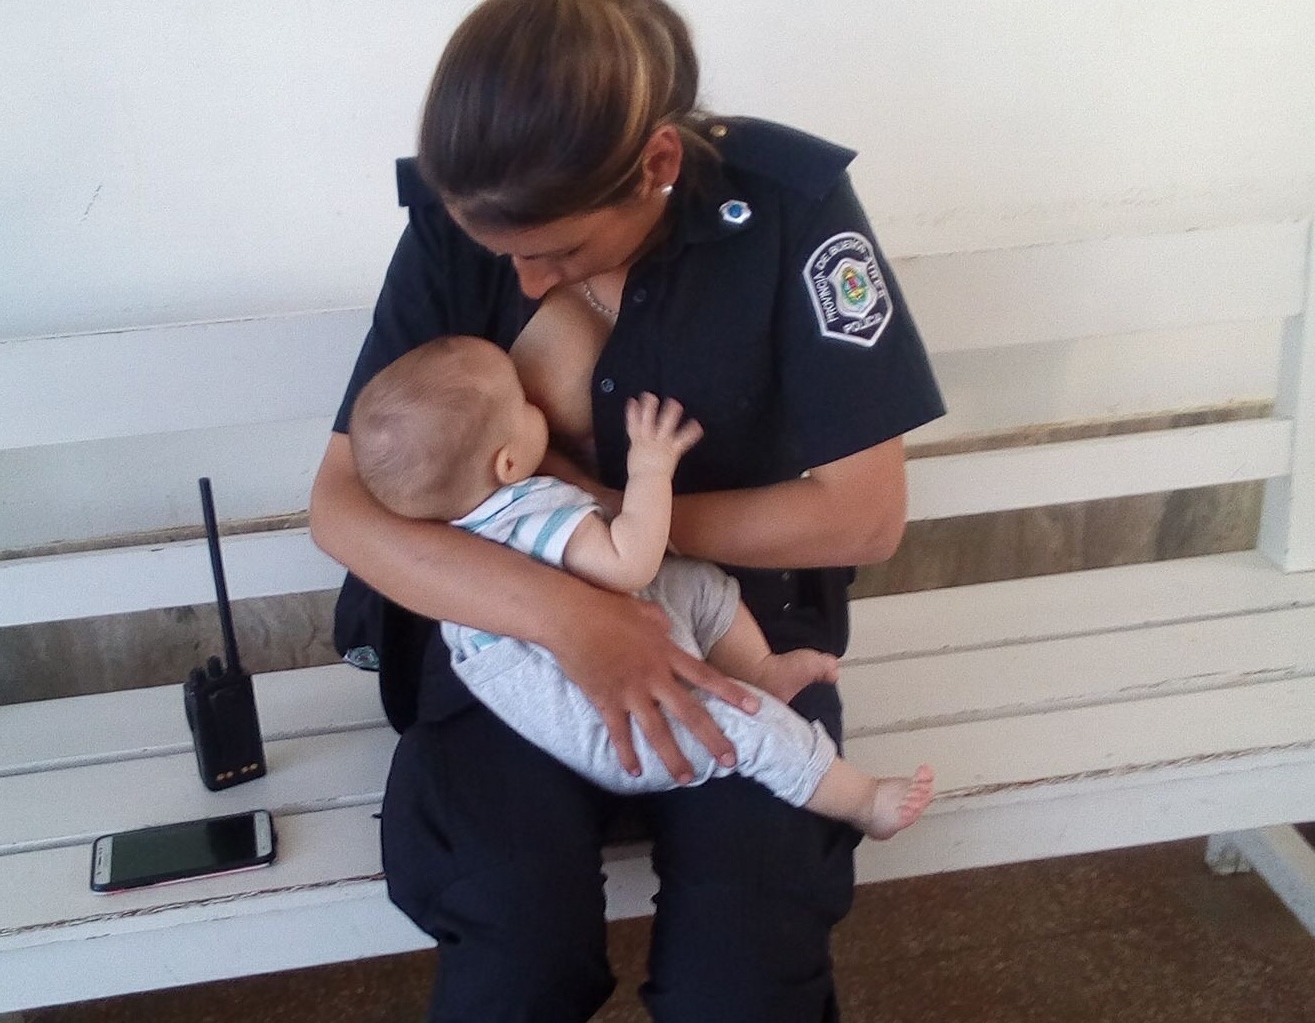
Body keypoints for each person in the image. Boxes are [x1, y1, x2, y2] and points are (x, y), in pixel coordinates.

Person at [308, 0, 945, 1018]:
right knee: (513, 942)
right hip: (503, 631)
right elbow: (344, 507)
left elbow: (862, 515)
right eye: (497, 250)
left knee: (742, 972)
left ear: (656, 163)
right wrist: (576, 612)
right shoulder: (470, 208)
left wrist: (619, 522)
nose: (522, 279)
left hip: (734, 635)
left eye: (556, 248)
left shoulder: (789, 209)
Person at [347, 333, 935, 833]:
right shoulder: (530, 514)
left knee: (697, 586)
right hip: (625, 726)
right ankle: (861, 801)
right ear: (507, 464)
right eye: (523, 406)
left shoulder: (455, 535)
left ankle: (757, 670)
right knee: (749, 729)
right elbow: (632, 564)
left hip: (596, 678)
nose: (536, 407)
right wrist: (650, 470)